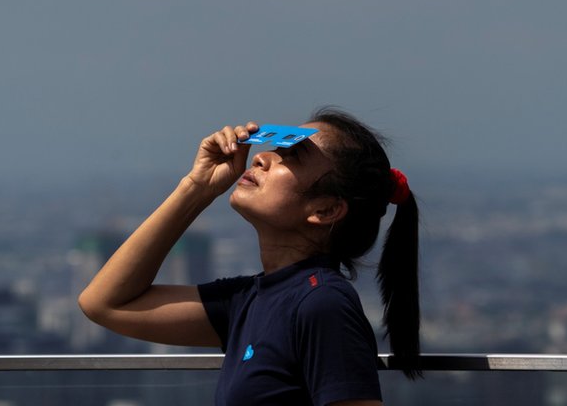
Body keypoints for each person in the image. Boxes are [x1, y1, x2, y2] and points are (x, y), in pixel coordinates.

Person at [78, 108, 421, 405]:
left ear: (326, 210)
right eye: (276, 148)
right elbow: (105, 304)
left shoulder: (323, 304)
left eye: (292, 156)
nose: (261, 157)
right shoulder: (251, 299)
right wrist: (197, 187)